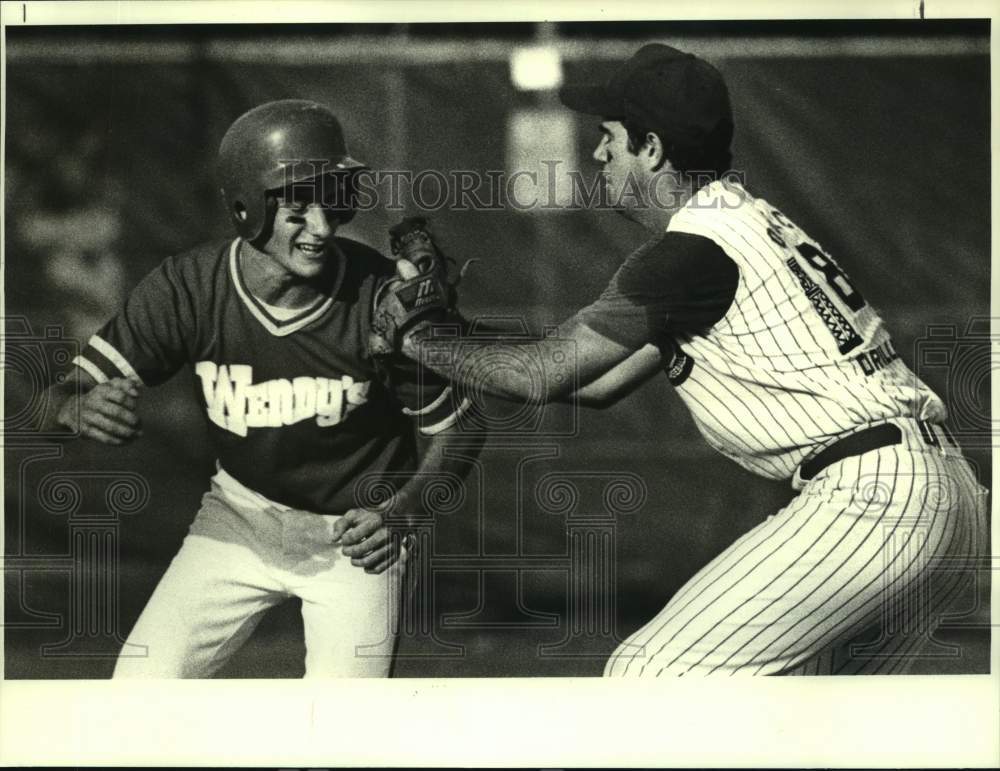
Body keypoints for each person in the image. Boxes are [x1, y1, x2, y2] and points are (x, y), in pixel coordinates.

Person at [384, 45, 988, 675]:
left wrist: (418, 339)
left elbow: (541, 374)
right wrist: (454, 332)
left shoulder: (689, 251)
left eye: (609, 137)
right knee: (813, 728)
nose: (598, 154)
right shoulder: (746, 224)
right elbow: (596, 383)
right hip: (946, 495)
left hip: (876, 500)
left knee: (649, 674)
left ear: (651, 148)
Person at [40, 99, 474, 678]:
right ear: (247, 206)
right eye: (298, 207)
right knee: (137, 695)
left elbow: (460, 422)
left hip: (358, 535)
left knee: (344, 734)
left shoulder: (376, 298)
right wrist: (75, 408)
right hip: (238, 520)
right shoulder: (189, 288)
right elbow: (55, 397)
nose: (320, 227)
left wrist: (406, 510)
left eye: (334, 201)